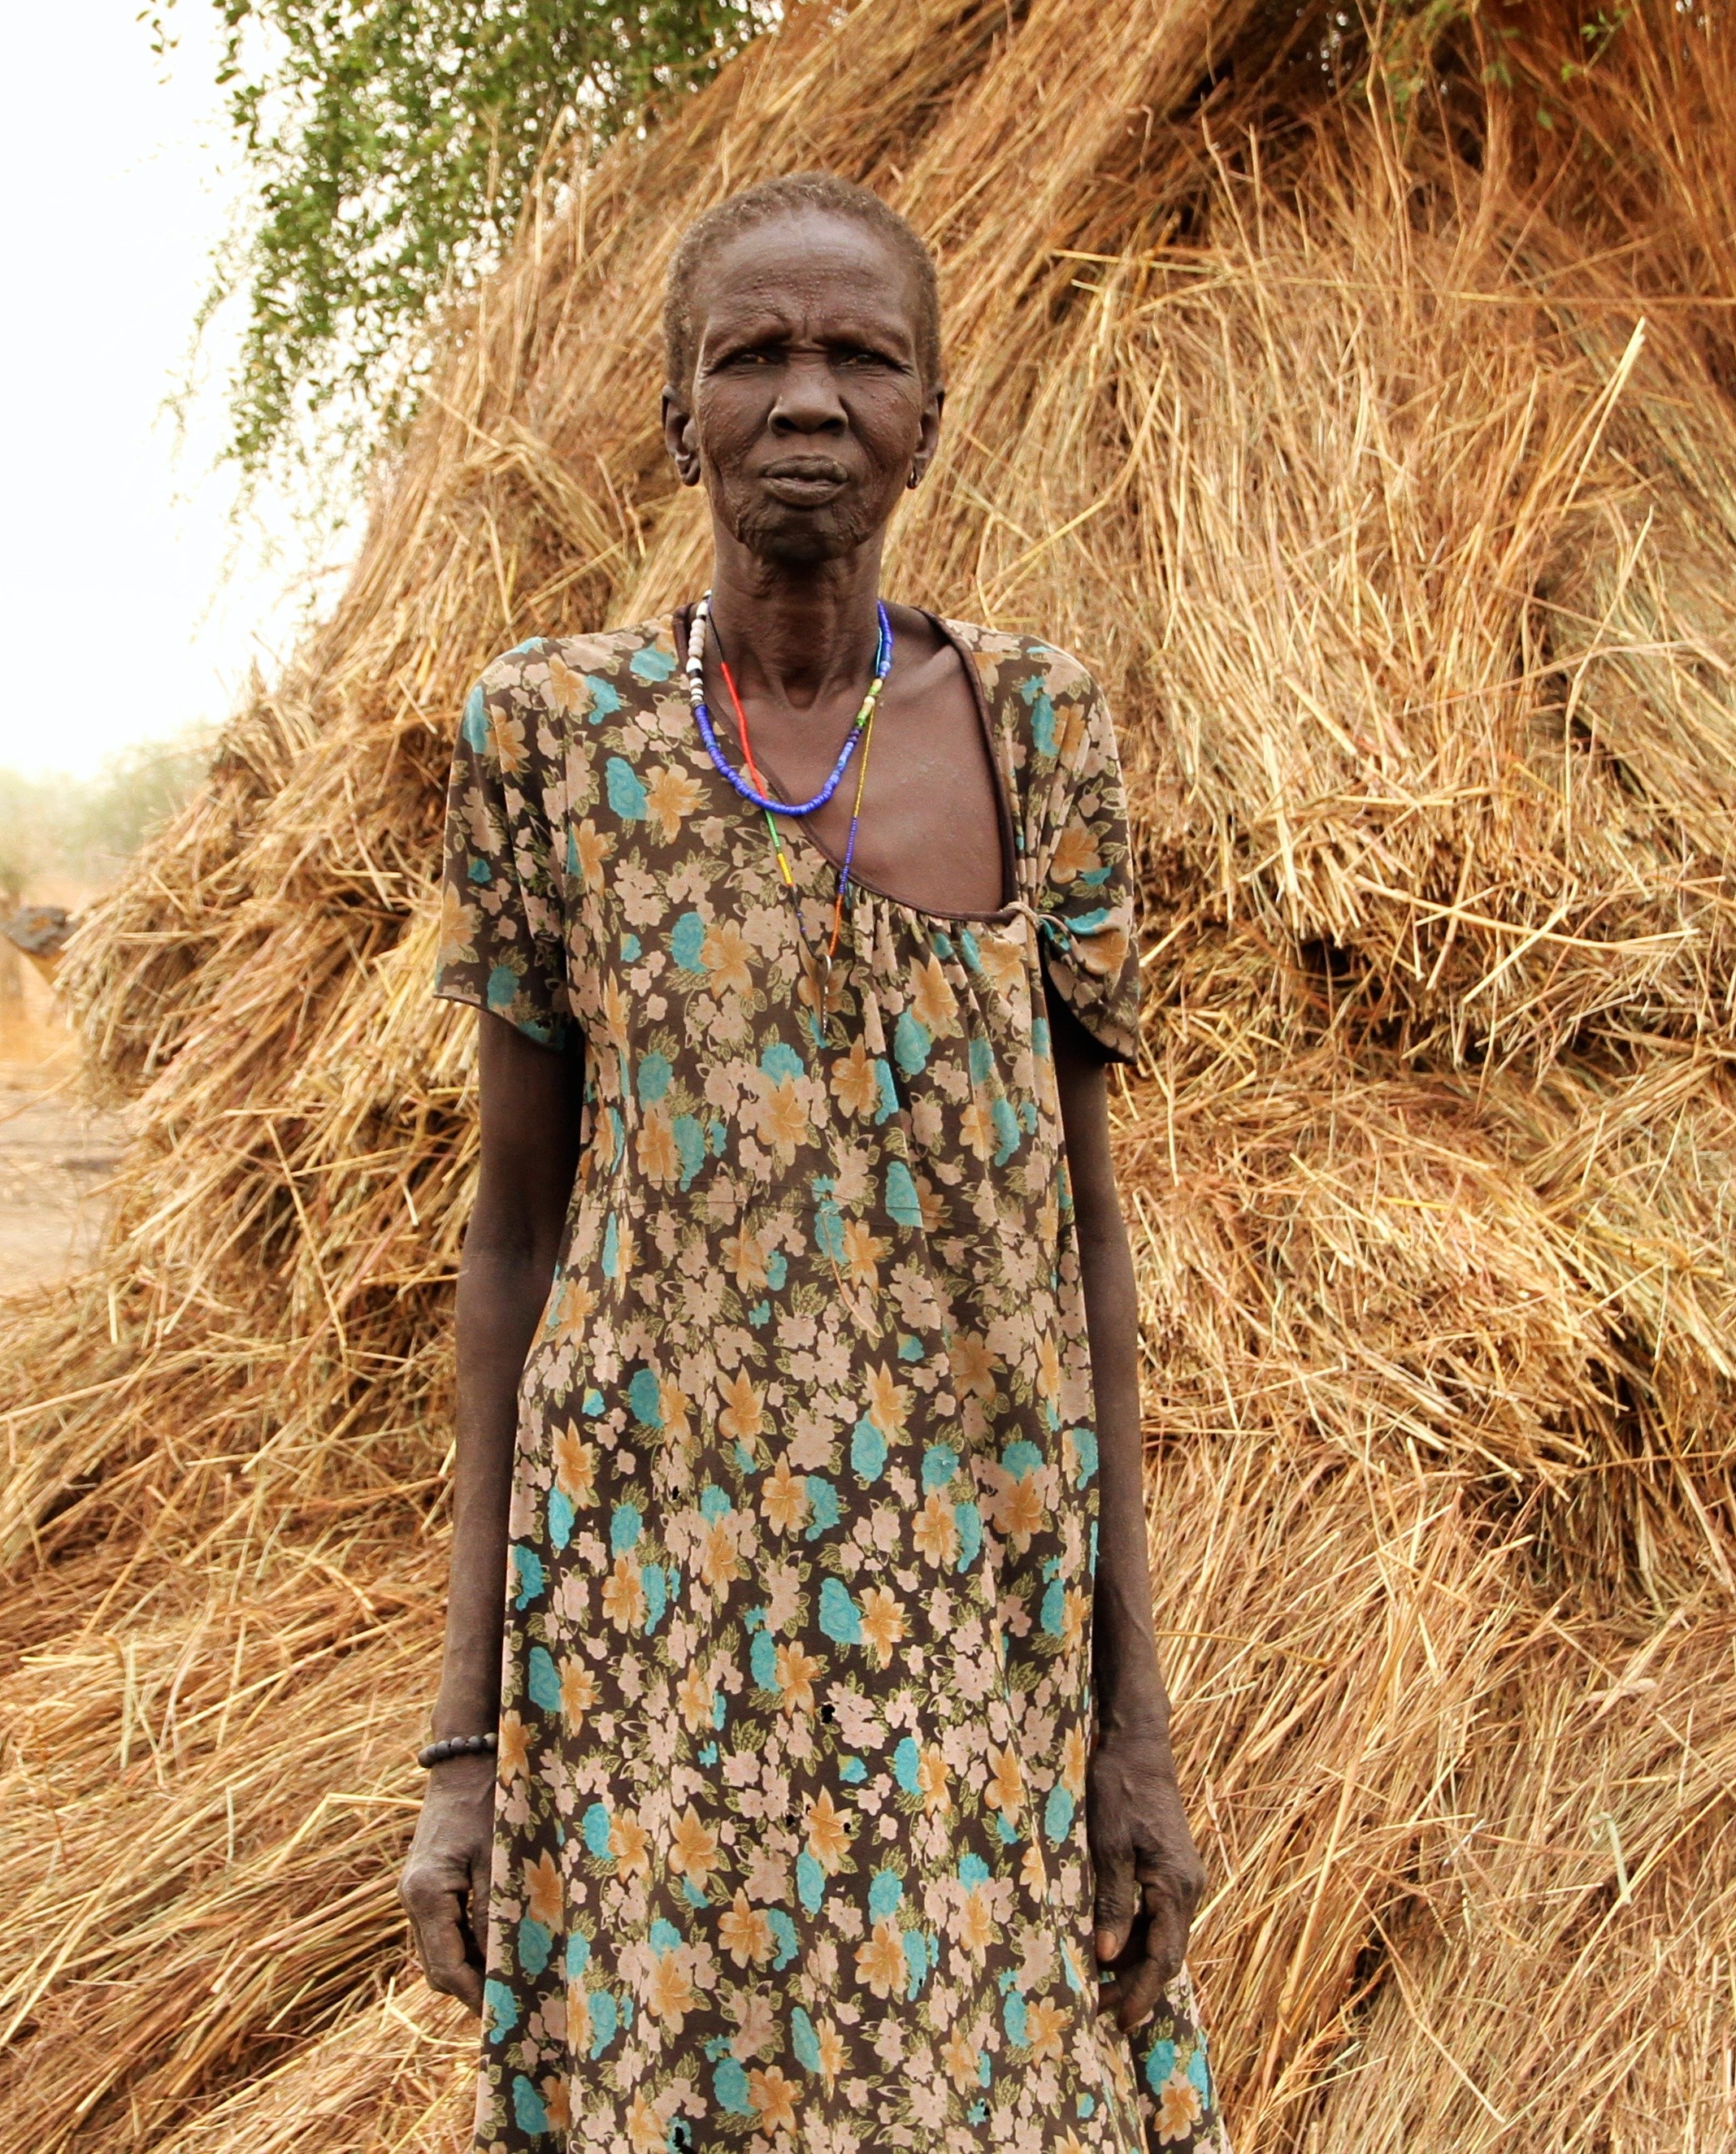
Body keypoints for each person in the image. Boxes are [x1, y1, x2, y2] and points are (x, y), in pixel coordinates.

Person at [399, 170, 1228, 2152]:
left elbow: (1081, 1244)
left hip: (973, 1594)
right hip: (643, 1602)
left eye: (858, 354)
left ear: (929, 413)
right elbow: (509, 1239)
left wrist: (1135, 1718)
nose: (801, 398)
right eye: (748, 352)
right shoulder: (549, 734)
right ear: (674, 409)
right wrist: (462, 1744)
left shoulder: (1036, 730)